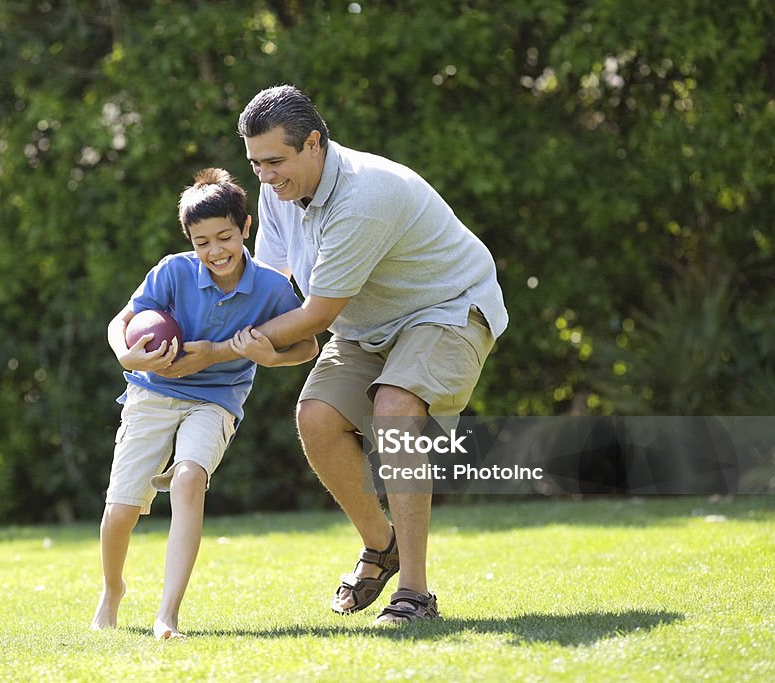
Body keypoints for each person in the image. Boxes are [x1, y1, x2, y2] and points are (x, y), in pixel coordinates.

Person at [158, 85, 507, 624]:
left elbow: (316, 314)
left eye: (276, 161)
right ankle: (380, 544)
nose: (266, 177)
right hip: (366, 323)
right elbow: (272, 292)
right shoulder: (278, 194)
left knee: (394, 409)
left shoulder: (365, 197)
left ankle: (415, 594)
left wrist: (216, 353)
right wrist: (191, 322)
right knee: (316, 419)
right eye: (256, 164)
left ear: (314, 144)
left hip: (446, 307)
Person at [91, 168, 318, 639]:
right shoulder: (173, 271)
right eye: (202, 242)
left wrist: (268, 357)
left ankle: (167, 614)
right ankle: (113, 590)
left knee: (190, 478)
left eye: (225, 237)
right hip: (152, 392)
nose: (215, 251)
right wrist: (124, 353)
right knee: (121, 511)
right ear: (189, 241)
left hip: (215, 401)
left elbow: (307, 347)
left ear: (246, 228)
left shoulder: (273, 288)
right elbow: (123, 320)